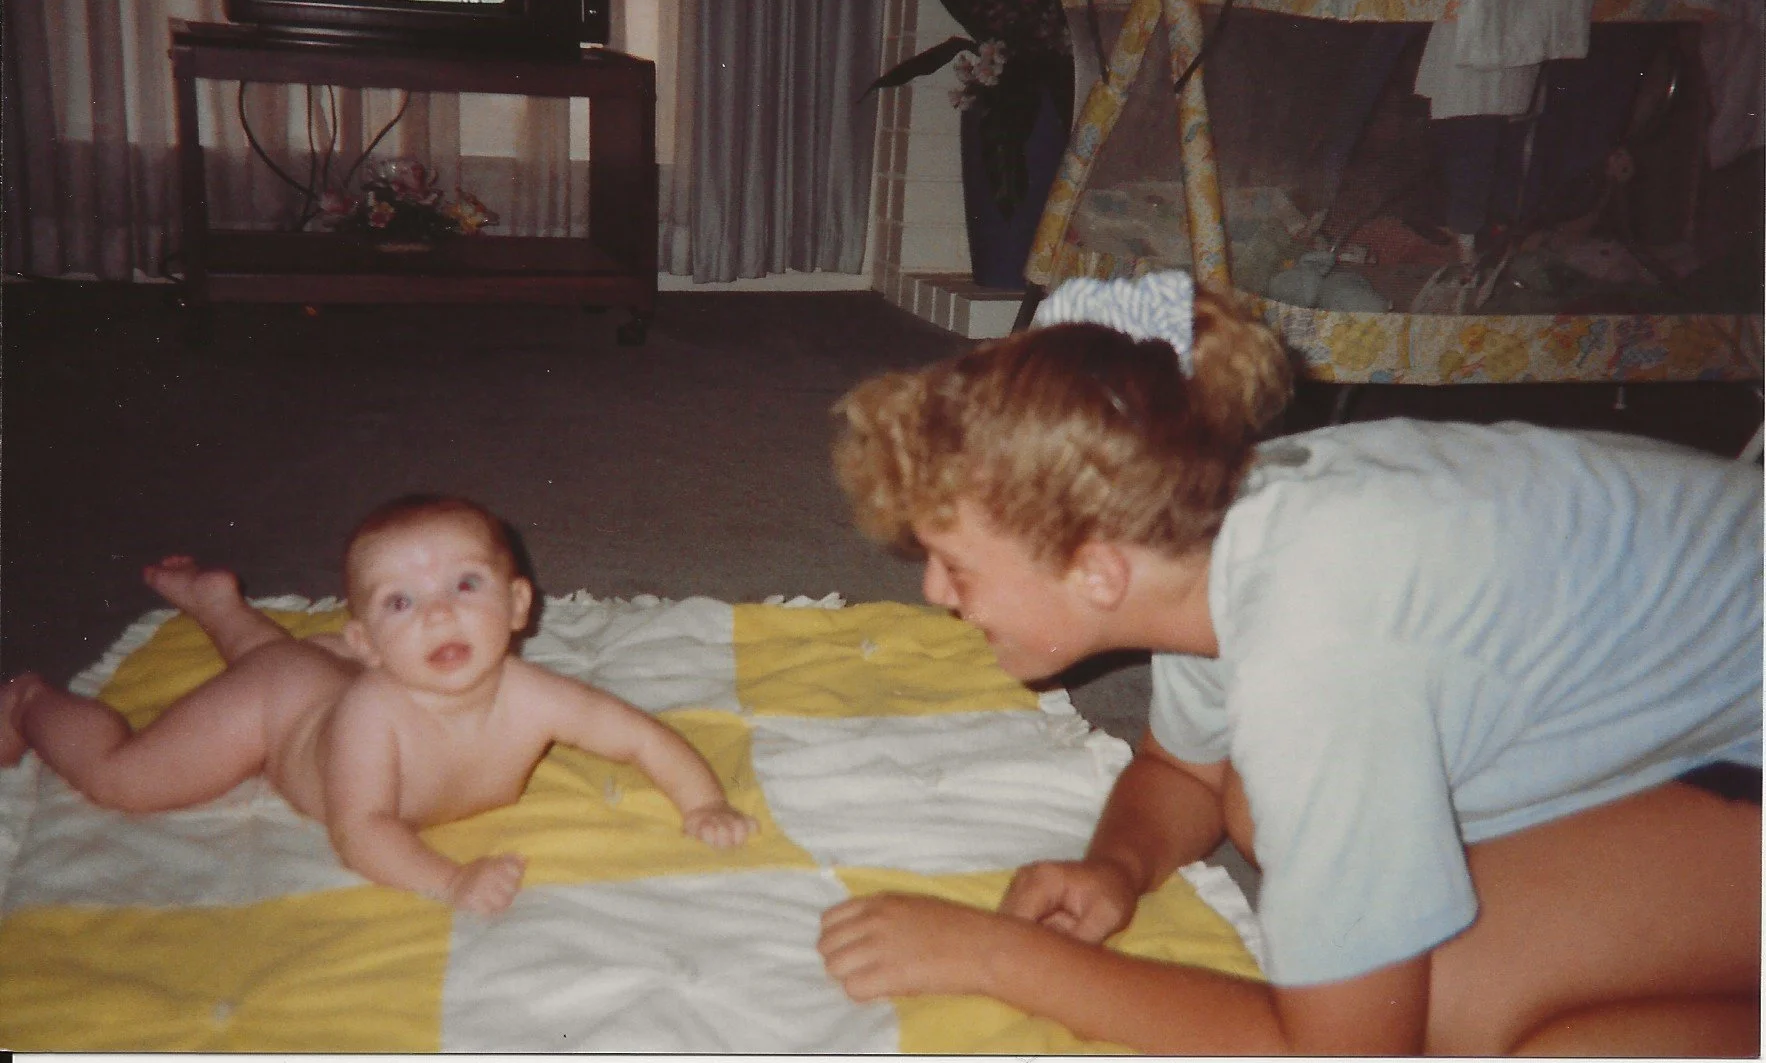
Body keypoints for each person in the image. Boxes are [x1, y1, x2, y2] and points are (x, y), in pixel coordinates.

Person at [815, 270, 1761, 1056]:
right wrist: (1116, 865)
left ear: (1098, 571)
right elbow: (1182, 767)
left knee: (1456, 1017)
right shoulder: (1208, 522)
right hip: (1708, 699)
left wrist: (1000, 959)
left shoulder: (1317, 651)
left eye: (957, 566)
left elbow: (1344, 1050)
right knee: (1259, 806)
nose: (935, 592)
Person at [0, 494, 756, 916]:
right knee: (128, 778)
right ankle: (30, 702)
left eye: (465, 585)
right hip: (277, 712)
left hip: (307, 674)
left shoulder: (535, 696)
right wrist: (447, 880)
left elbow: (640, 737)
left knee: (281, 659)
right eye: (402, 601)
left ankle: (218, 605)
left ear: (519, 604)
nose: (438, 613)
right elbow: (360, 829)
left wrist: (703, 801)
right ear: (364, 641)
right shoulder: (372, 712)